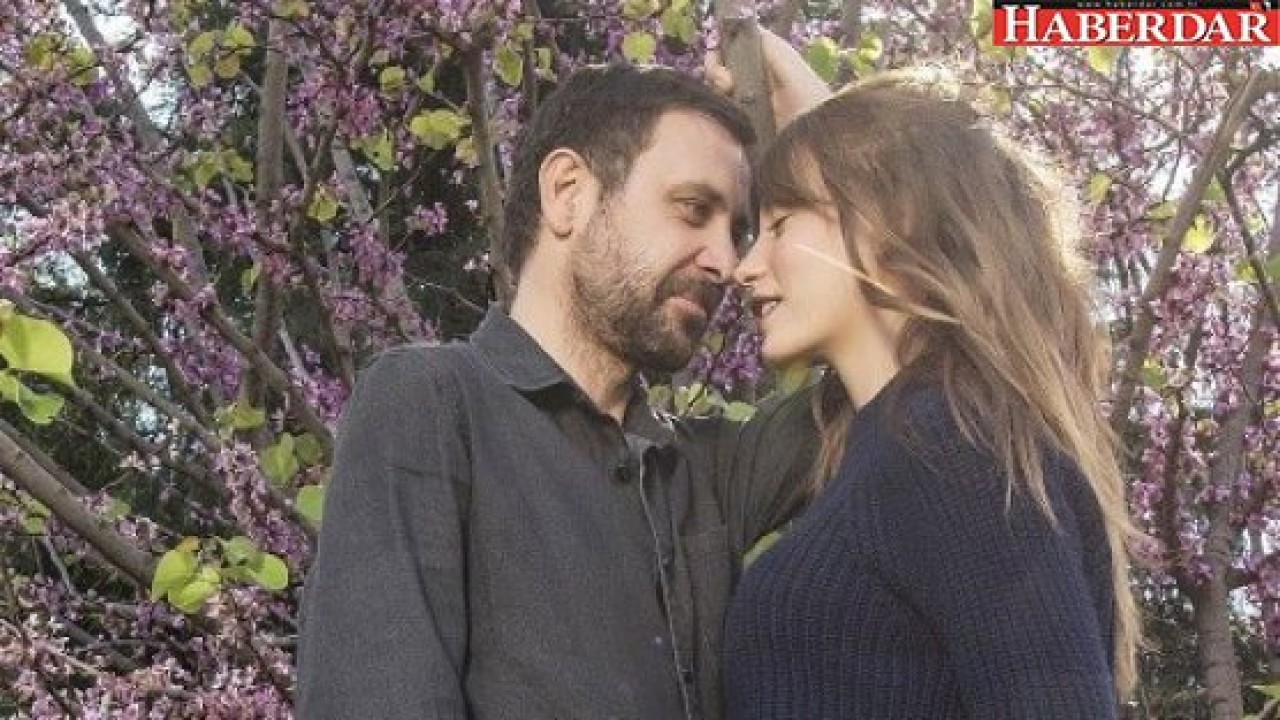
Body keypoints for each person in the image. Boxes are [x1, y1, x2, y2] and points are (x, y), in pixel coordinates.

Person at [295, 63, 815, 720]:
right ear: (568, 192)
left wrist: (811, 117)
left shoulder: (709, 471)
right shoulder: (434, 405)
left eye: (737, 232)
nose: (728, 262)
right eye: (694, 210)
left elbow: (909, 365)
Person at [719, 35, 1142, 719]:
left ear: (895, 219)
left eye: (780, 224)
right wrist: (827, 135)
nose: (746, 266)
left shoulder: (955, 446)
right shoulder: (899, 444)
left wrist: (837, 143)